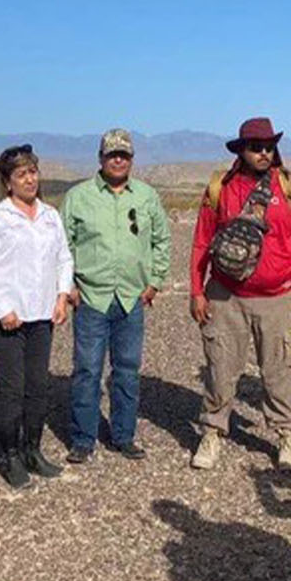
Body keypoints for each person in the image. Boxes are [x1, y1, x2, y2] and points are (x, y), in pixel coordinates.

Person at [189, 117, 291, 472]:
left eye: (269, 147)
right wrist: (195, 291)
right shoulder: (221, 187)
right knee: (220, 367)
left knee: (278, 371)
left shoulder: (290, 187)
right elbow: (202, 241)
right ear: (242, 149)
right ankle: (213, 431)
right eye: (255, 147)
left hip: (278, 298)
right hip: (225, 296)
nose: (263, 153)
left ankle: (287, 436)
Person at [61, 129, 171, 463]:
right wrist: (70, 287)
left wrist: (154, 282)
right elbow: (61, 245)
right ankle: (83, 438)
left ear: (132, 159)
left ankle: (123, 435)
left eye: (124, 154)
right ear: (101, 158)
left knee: (126, 370)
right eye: (112, 155)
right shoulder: (78, 197)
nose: (118, 160)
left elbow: (162, 241)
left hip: (131, 297)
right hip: (91, 297)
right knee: (87, 370)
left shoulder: (146, 196)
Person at [0, 145, 74, 489]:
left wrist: (62, 295)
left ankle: (33, 448)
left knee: (38, 388)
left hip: (41, 316)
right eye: (21, 174)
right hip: (6, 322)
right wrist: (2, 307)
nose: (29, 179)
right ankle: (10, 454)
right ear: (7, 181)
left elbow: (63, 258)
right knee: (13, 389)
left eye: (33, 172)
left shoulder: (50, 216)